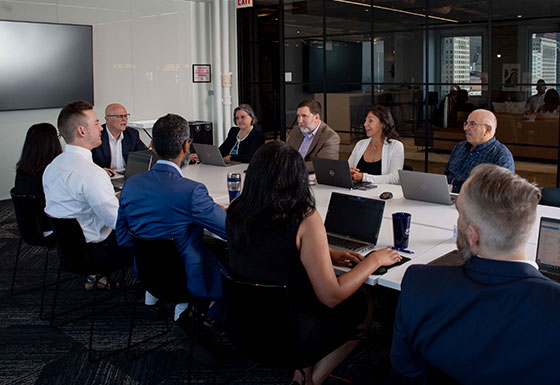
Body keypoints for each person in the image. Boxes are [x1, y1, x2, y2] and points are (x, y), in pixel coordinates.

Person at [226, 141, 401, 385]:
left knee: (300, 300)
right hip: (291, 333)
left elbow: (268, 250)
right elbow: (332, 295)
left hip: (243, 324)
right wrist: (373, 261)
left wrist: (324, 252)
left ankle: (303, 374)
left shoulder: (235, 209)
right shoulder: (304, 219)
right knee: (363, 303)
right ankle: (310, 380)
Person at [391, 164, 560, 385]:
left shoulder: (419, 283)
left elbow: (404, 367)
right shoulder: (553, 305)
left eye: (460, 214)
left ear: (473, 236)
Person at [116, 113, 226, 320]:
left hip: (147, 275)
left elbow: (123, 238)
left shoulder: (130, 184)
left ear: (152, 145)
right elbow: (230, 231)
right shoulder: (191, 191)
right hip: (185, 278)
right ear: (186, 146)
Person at [43, 101, 133, 289]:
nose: (101, 128)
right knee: (153, 234)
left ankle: (97, 278)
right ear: (82, 131)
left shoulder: (52, 167)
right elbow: (118, 222)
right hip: (96, 252)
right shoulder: (91, 174)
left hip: (68, 251)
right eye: (96, 123)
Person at [444, 109, 514, 193]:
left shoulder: (501, 155)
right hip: (449, 197)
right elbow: (447, 174)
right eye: (466, 124)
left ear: (487, 130)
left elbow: (503, 191)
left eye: (472, 124)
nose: (466, 128)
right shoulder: (460, 147)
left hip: (476, 203)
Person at [14, 123, 62, 234]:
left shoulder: (23, 168)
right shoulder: (51, 171)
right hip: (50, 226)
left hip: (29, 227)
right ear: (52, 143)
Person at [347, 106, 404, 184]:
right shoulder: (360, 144)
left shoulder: (396, 146)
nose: (365, 124)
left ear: (383, 123)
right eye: (365, 120)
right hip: (357, 193)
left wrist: (364, 177)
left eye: (370, 121)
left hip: (381, 194)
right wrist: (349, 171)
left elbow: (394, 178)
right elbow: (347, 168)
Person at [91, 103, 147, 175]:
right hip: (105, 177)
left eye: (126, 116)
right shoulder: (97, 135)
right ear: (107, 118)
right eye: (120, 116)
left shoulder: (132, 134)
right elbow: (86, 161)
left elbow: (145, 155)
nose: (124, 119)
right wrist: (99, 170)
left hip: (126, 176)